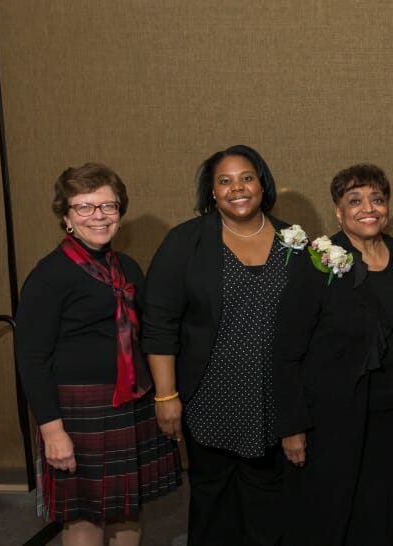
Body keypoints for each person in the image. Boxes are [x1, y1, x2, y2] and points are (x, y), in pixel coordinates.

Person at [15, 163, 181, 546]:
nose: (99, 216)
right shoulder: (50, 275)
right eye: (85, 207)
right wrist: (52, 431)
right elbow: (31, 358)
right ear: (66, 215)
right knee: (82, 515)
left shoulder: (127, 267)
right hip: (77, 411)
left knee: (127, 507)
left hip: (130, 401)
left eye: (108, 206)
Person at [274, 163, 393, 545]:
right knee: (343, 515)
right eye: (355, 200)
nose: (368, 208)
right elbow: (285, 351)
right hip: (338, 421)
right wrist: (291, 427)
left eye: (377, 199)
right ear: (338, 211)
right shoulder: (318, 262)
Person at [141, 145, 291, 545]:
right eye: (224, 181)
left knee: (271, 504)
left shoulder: (294, 241)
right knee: (213, 503)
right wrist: (165, 395)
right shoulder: (186, 242)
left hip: (275, 401)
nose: (236, 188)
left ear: (262, 184)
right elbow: (159, 323)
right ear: (211, 191)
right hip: (209, 399)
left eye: (246, 178)